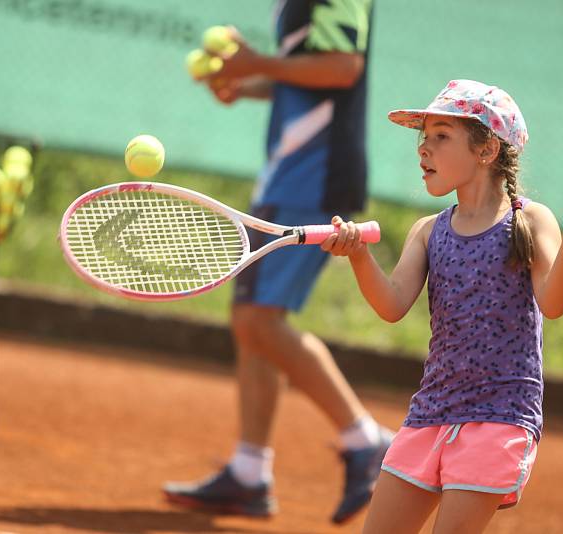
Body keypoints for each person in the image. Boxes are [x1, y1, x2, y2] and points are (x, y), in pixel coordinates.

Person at [320, 79, 563, 533]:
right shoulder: (428, 230)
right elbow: (390, 305)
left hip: (500, 416)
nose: (425, 148)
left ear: (486, 151)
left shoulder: (530, 219)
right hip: (430, 412)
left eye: (442, 136)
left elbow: (555, 302)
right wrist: (359, 256)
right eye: (424, 137)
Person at [163, 0, 394, 525]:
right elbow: (307, 78)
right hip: (288, 175)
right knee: (255, 324)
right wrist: (245, 85)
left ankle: (366, 440)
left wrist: (257, 64)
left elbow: (342, 68)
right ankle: (248, 473)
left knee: (257, 319)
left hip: (315, 175)